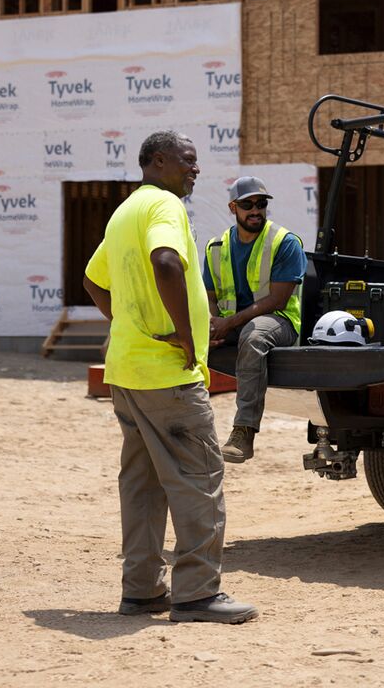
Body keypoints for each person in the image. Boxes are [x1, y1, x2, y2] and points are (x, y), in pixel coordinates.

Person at [82, 130, 258, 624]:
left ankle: (141, 590)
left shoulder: (124, 211)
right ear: (157, 161)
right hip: (166, 376)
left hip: (127, 371)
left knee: (143, 485)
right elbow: (166, 262)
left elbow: (93, 280)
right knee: (198, 478)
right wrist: (184, 334)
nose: (195, 169)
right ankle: (198, 592)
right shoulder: (163, 206)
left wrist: (129, 325)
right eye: (187, 160)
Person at [203, 175, 307, 464]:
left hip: (278, 321)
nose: (255, 210)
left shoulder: (283, 242)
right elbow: (209, 295)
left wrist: (228, 323)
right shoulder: (215, 247)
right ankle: (181, 425)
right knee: (183, 337)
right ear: (232, 207)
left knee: (254, 334)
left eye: (261, 204)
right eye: (247, 204)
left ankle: (244, 431)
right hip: (231, 322)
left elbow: (278, 300)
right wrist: (211, 322)